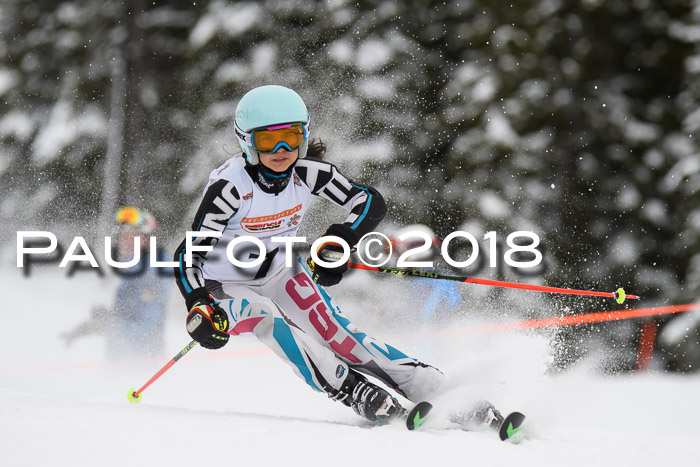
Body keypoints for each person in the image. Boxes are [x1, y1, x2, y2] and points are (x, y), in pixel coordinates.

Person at [173, 85, 449, 423]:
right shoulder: (230, 187)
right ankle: (347, 386)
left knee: (335, 332)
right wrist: (198, 302)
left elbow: (368, 202)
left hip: (278, 269)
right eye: (267, 141)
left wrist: (340, 240)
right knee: (264, 314)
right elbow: (188, 254)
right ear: (246, 141)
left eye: (292, 135)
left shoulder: (308, 173)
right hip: (225, 283)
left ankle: (428, 385)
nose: (282, 149)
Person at [62, 206, 171, 359]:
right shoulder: (135, 266)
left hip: (141, 361)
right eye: (122, 237)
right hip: (122, 357)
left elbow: (147, 325)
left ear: (147, 239)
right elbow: (127, 313)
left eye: (132, 237)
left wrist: (111, 327)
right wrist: (90, 326)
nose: (124, 242)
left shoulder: (152, 270)